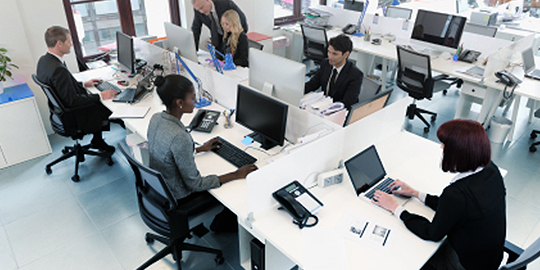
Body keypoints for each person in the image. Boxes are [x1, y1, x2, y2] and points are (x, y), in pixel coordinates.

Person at [372, 119, 506, 270]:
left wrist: (395, 208)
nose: (442, 147)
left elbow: (432, 233)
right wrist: (415, 193)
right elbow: (454, 208)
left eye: (446, 145)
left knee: (407, 256)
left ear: (458, 153)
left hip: (464, 264)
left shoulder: (456, 194)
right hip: (489, 258)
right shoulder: (491, 170)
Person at [147, 74, 257, 201]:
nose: (196, 101)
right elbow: (196, 185)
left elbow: (171, 153)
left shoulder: (156, 118)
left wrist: (200, 149)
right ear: (179, 103)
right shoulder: (180, 137)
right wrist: (236, 174)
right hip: (179, 197)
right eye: (193, 98)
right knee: (230, 198)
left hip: (161, 190)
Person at [36, 26, 117, 153]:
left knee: (96, 99)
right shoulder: (58, 69)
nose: (71, 44)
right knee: (107, 107)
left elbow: (60, 87)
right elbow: (72, 101)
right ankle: (99, 142)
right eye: (69, 41)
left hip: (61, 112)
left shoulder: (45, 61)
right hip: (73, 114)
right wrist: (101, 96)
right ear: (59, 43)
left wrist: (83, 84)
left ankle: (97, 141)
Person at [304, 34, 363, 109]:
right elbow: (312, 84)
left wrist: (327, 108)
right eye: (329, 52)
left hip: (340, 111)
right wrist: (297, 90)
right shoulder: (325, 64)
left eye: (335, 54)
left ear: (346, 54)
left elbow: (348, 102)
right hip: (323, 107)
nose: (330, 57)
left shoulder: (355, 74)